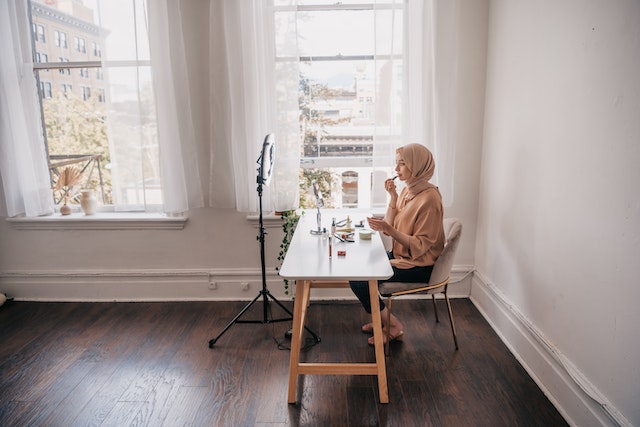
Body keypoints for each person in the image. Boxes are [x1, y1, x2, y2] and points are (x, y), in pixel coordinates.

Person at [350, 143, 445, 345]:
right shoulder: (407, 191)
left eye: (402, 164)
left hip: (420, 265)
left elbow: (420, 245)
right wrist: (393, 198)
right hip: (401, 257)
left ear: (418, 166)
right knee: (357, 270)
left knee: (360, 280)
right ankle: (380, 318)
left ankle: (392, 325)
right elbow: (389, 226)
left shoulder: (430, 199)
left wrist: (390, 230)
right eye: (397, 164)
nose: (396, 170)